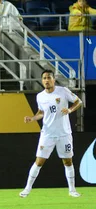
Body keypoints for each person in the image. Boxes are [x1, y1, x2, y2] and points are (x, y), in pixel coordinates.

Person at [20, 70, 82, 198]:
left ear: (54, 79)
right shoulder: (40, 96)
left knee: (68, 161)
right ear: (42, 81)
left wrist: (70, 109)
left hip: (64, 133)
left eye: (49, 77)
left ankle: (72, 190)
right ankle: (27, 189)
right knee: (39, 161)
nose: (46, 80)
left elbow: (79, 102)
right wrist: (32, 118)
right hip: (47, 134)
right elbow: (41, 113)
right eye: (44, 78)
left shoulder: (63, 91)